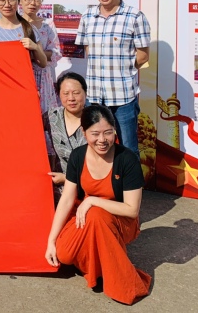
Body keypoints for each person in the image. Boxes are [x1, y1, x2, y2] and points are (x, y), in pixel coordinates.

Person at [45, 104, 151, 305]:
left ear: (115, 130)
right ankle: (101, 261)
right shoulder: (78, 156)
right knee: (64, 254)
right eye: (95, 134)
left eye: (108, 132)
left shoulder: (127, 159)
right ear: (84, 132)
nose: (102, 140)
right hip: (85, 216)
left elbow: (131, 210)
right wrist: (51, 241)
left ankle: (121, 281)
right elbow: (67, 199)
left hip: (121, 221)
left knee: (96, 215)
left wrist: (93, 201)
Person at [75, 0, 150, 157]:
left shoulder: (134, 17)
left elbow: (143, 56)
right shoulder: (87, 16)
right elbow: (88, 49)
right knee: (96, 146)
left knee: (128, 149)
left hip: (123, 97)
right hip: (94, 96)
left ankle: (128, 178)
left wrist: (122, 70)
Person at [21, 0, 61, 114]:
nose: (33, 3)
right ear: (20, 0)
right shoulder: (14, 23)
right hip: (22, 75)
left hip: (43, 77)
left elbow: (55, 52)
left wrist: (36, 53)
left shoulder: (47, 24)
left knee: (44, 115)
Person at [47, 72, 88, 189]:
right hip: (59, 189)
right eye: (65, 93)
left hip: (89, 188)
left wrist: (66, 178)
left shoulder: (96, 119)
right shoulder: (52, 117)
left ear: (85, 93)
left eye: (76, 93)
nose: (71, 98)